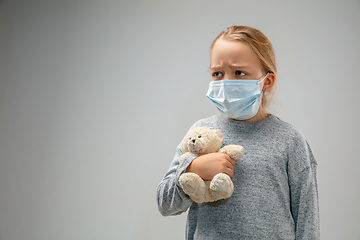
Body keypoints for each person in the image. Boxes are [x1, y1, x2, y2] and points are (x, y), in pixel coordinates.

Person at [156, 25, 320, 239]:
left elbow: (307, 221)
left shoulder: (290, 141)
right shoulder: (199, 135)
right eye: (217, 73)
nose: (226, 83)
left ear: (266, 81)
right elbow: (165, 203)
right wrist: (193, 169)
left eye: (239, 73)